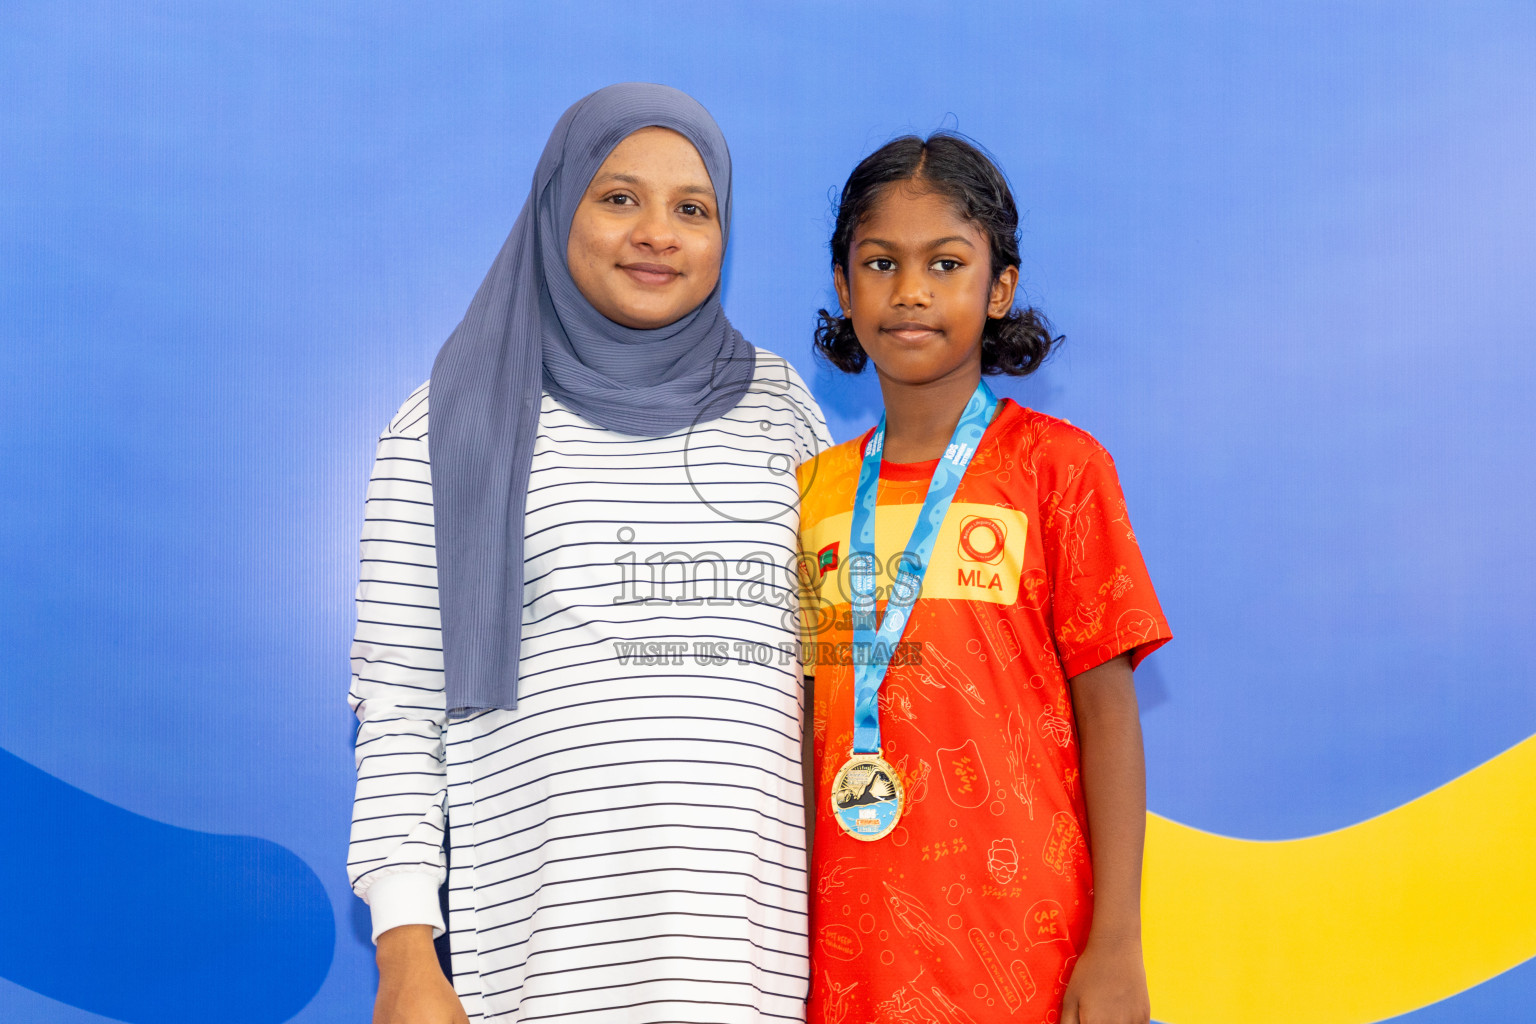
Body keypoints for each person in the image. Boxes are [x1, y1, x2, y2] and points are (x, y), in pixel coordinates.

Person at [348, 83, 829, 1024]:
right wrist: (408, 954)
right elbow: (401, 708)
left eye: (693, 208)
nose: (658, 232)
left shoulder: (787, 414)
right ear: (555, 207)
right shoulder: (449, 422)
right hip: (539, 972)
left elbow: (831, 690)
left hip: (755, 977)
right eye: (619, 198)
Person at [796, 134, 1171, 1024]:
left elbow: (1109, 713)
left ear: (999, 286)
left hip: (1026, 953)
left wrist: (1115, 942)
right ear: (844, 288)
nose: (912, 291)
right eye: (880, 263)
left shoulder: (1060, 471)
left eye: (947, 263)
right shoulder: (811, 492)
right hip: (846, 958)